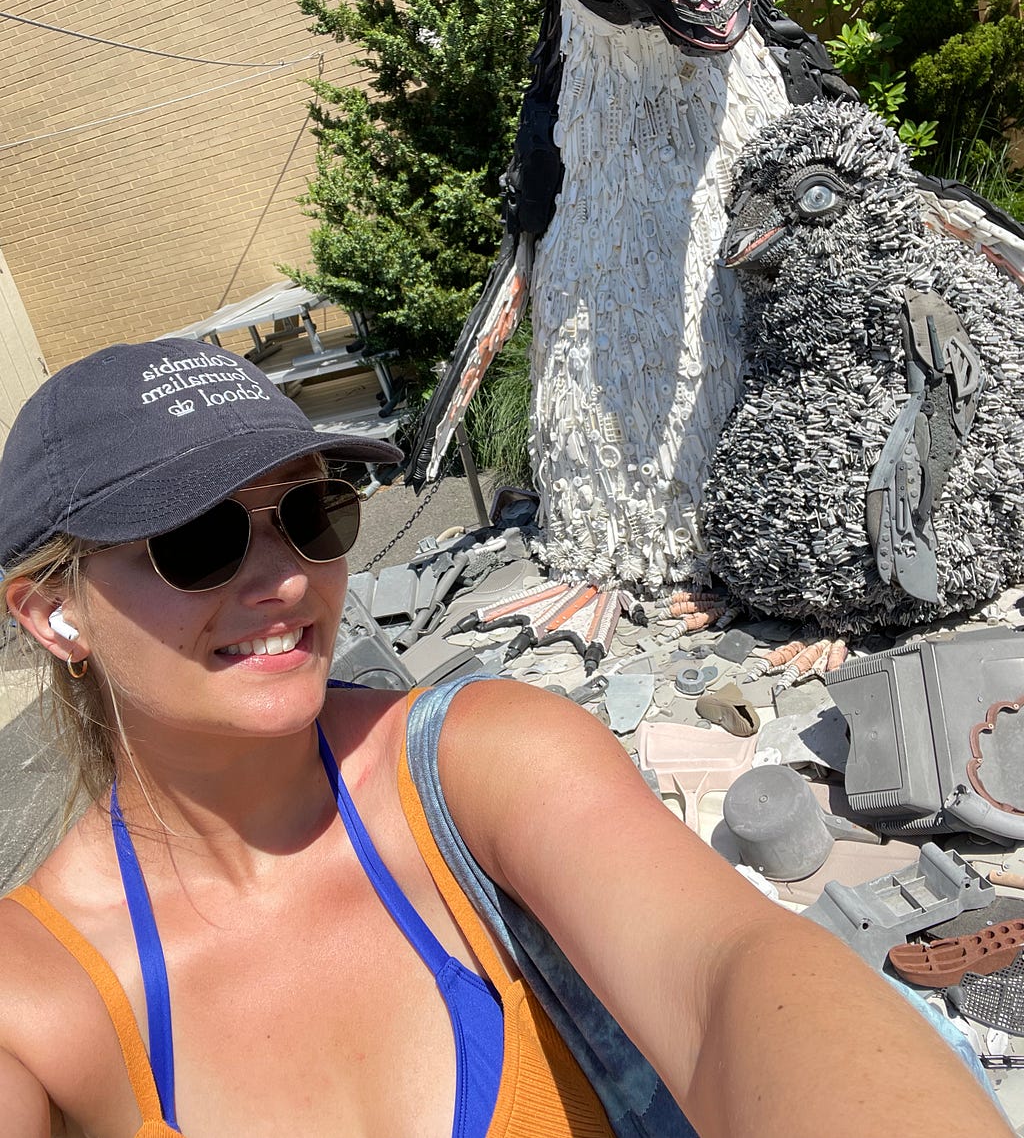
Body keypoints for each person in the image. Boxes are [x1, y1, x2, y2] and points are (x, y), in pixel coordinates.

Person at [0, 339, 1010, 1138]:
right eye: (198, 540)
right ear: (55, 615)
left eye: (311, 513)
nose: (289, 579)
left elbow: (730, 975)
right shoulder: (37, 992)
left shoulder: (482, 763)